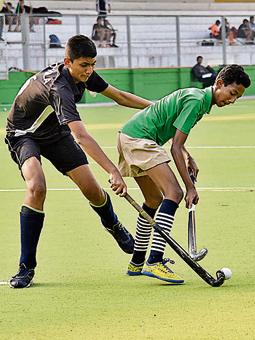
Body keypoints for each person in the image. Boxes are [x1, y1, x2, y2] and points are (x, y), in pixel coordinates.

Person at [4, 35, 154, 289]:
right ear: (68, 62)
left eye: (93, 64)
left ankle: (113, 225)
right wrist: (113, 171)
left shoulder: (83, 75)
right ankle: (25, 266)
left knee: (93, 190)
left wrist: (158, 107)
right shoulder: (59, 87)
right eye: (84, 65)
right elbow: (82, 136)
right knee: (36, 187)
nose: (89, 70)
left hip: (55, 134)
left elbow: (118, 96)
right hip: (23, 135)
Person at [118, 65, 250, 284]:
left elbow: (176, 137)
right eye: (232, 93)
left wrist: (189, 156)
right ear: (219, 83)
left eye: (237, 97)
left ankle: (137, 261)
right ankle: (155, 260)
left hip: (129, 135)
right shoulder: (197, 101)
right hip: (140, 139)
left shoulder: (197, 98)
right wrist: (190, 187)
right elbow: (175, 148)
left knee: (153, 200)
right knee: (175, 193)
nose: (232, 100)